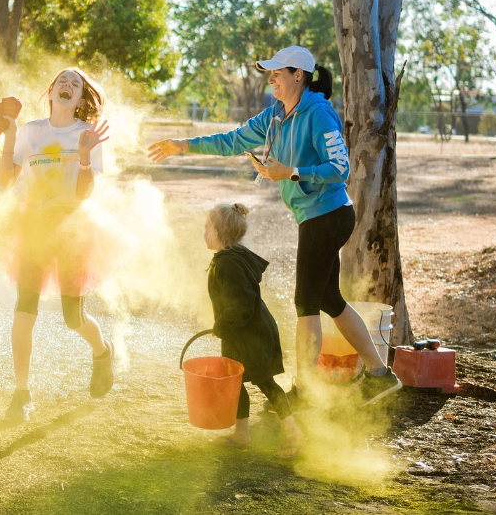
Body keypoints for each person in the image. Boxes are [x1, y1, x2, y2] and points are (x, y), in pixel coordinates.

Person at [148, 46, 402, 408]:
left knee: (305, 304)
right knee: (329, 300)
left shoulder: (319, 113)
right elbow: (233, 140)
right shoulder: (274, 116)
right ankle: (380, 375)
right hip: (315, 217)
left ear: (299, 75)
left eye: (277, 73)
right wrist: (183, 145)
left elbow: (340, 168)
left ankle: (306, 393)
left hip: (328, 216)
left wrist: (291, 173)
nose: (271, 80)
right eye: (270, 74)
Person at [0, 67, 115, 421]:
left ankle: (102, 351)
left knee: (72, 317)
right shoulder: (31, 131)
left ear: (79, 99)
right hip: (34, 228)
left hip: (71, 230)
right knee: (24, 310)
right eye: (62, 81)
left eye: (75, 83)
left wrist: (84, 156)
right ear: (51, 92)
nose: (67, 84)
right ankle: (21, 394)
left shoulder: (87, 134)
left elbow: (83, 194)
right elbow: (6, 181)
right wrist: (10, 136)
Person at [204, 203, 304, 459]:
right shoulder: (228, 258)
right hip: (239, 334)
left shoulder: (228, 263)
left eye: (206, 228)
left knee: (266, 382)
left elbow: (242, 305)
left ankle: (293, 432)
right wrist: (224, 327)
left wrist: (221, 325)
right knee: (235, 381)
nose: (203, 233)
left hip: (253, 335)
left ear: (217, 232)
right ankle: (241, 434)